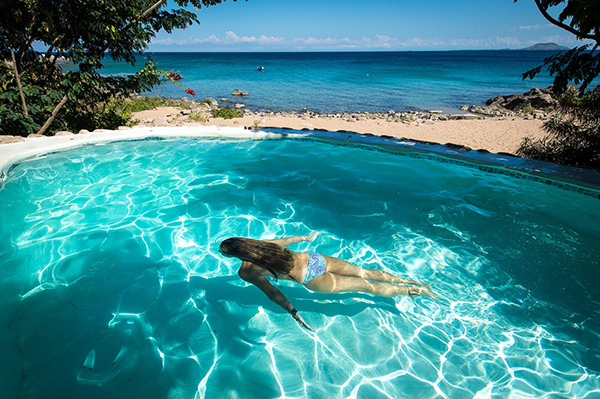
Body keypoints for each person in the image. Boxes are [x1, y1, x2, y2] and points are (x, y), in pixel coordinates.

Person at [219, 233, 437, 332]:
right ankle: (413, 282)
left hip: (312, 278)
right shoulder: (261, 245)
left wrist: (293, 312)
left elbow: (272, 292)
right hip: (314, 258)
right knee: (364, 273)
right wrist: (306, 238)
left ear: (234, 255)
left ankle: (411, 291)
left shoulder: (246, 271)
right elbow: (286, 241)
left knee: (365, 287)